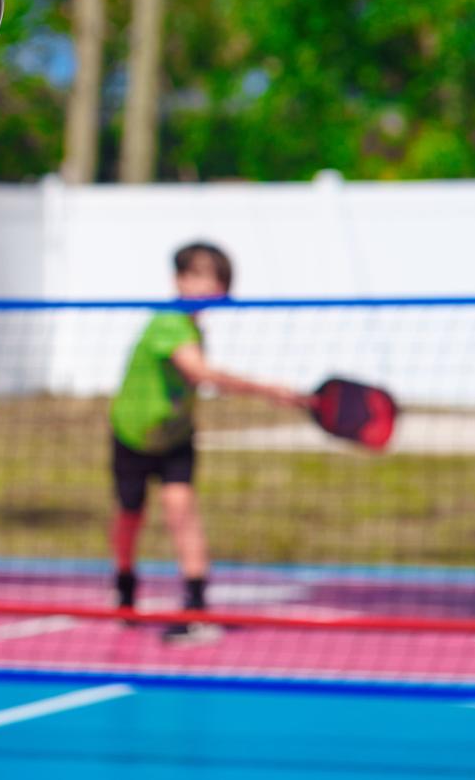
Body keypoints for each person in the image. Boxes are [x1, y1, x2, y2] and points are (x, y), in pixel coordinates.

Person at [109, 242, 305, 646]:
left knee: (182, 511)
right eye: (197, 274)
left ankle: (195, 610)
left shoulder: (195, 326)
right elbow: (199, 374)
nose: (206, 283)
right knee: (130, 518)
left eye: (214, 276)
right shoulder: (170, 321)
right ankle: (126, 588)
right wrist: (267, 390)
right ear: (179, 280)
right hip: (132, 434)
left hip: (176, 437)